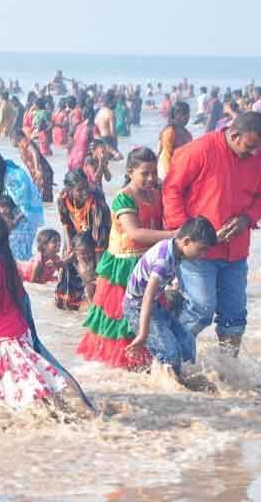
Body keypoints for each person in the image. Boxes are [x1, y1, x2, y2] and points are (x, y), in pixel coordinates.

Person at [0, 215, 92, 413]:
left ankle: (36, 413)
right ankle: (53, 407)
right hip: (14, 329)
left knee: (4, 381)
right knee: (26, 375)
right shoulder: (5, 261)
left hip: (0, 336)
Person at [163, 112, 261, 355]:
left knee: (234, 317)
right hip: (198, 251)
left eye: (259, 147)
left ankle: (228, 373)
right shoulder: (199, 150)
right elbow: (171, 190)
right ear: (234, 135)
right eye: (250, 146)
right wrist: (185, 234)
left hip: (236, 252)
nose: (254, 153)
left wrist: (246, 219)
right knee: (200, 310)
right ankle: (164, 358)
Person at [76, 147, 177, 368]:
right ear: (130, 172)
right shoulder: (123, 198)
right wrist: (175, 236)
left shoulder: (156, 193)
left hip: (149, 261)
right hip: (123, 265)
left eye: (153, 173)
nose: (150, 178)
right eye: (145, 173)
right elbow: (135, 233)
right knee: (120, 318)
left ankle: (148, 359)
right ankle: (122, 363)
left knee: (149, 312)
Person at [123, 217, 218, 381]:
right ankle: (167, 387)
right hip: (137, 307)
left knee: (187, 343)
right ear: (187, 241)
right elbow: (147, 295)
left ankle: (182, 382)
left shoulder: (177, 250)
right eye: (202, 249)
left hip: (154, 306)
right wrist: (143, 334)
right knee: (170, 354)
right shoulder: (164, 260)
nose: (203, 255)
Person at [0, 149, 44, 261]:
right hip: (15, 213)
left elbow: (26, 205)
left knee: (19, 252)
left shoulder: (15, 177)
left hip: (27, 215)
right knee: (10, 249)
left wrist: (14, 222)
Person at [57, 169, 111, 258]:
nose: (85, 192)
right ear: (69, 190)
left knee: (97, 259)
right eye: (79, 190)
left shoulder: (95, 199)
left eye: (86, 187)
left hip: (100, 229)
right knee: (67, 258)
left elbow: (99, 233)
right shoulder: (62, 199)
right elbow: (65, 223)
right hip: (78, 230)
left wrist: (99, 265)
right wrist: (69, 246)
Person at [12, 130, 54, 203]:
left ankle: (48, 212)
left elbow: (34, 152)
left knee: (44, 198)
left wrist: (37, 169)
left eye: (12, 139)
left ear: (17, 137)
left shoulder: (25, 141)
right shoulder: (21, 145)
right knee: (39, 197)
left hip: (42, 172)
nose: (11, 142)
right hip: (38, 174)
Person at [157, 101, 193, 180]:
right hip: (167, 170)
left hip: (180, 170)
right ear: (176, 115)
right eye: (184, 114)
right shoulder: (170, 131)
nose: (187, 117)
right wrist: (169, 175)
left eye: (188, 114)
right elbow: (167, 154)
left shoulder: (187, 133)